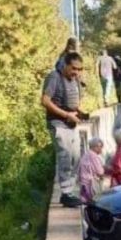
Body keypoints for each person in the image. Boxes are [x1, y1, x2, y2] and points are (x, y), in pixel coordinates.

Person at [41, 52, 87, 208]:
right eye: (74, 68)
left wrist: (79, 113)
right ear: (66, 65)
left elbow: (73, 102)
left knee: (75, 156)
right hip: (58, 123)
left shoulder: (74, 80)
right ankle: (66, 193)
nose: (76, 72)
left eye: (80, 69)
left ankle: (70, 191)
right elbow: (45, 101)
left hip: (71, 124)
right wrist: (66, 114)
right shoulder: (54, 77)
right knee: (65, 156)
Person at [78, 138, 106, 204]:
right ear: (94, 147)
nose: (101, 149)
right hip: (90, 183)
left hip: (84, 182)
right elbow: (100, 171)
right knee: (94, 202)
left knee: (85, 201)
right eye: (100, 146)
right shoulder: (93, 156)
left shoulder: (86, 154)